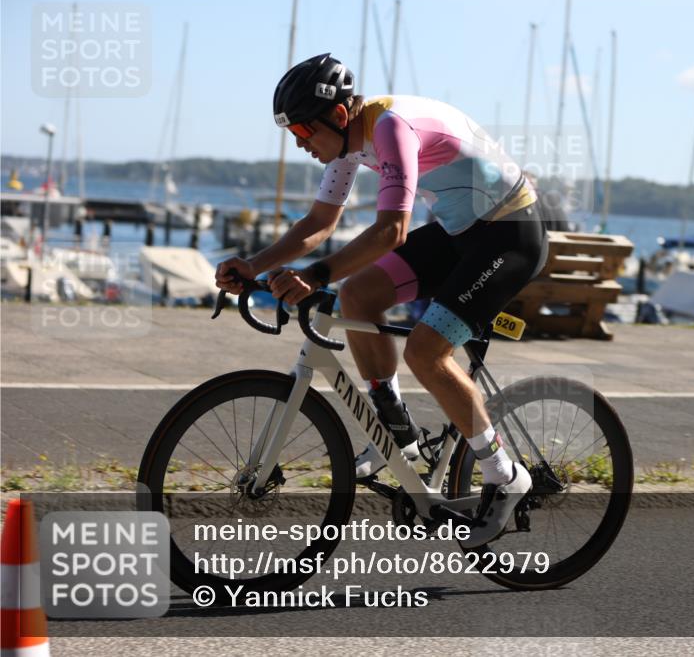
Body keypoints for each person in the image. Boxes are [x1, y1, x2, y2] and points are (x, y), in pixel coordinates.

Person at [215, 54, 547, 547]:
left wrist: (315, 275)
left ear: (339, 115)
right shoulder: (347, 143)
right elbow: (319, 223)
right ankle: (397, 430)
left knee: (426, 351)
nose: (300, 144)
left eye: (304, 131)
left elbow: (392, 231)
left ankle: (504, 474)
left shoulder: (391, 127)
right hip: (461, 232)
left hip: (510, 236)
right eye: (293, 134)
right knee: (357, 294)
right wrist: (254, 265)